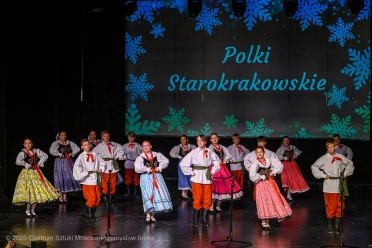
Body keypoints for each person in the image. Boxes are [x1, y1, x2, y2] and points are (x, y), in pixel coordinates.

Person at [311, 139, 354, 234]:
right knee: (330, 206)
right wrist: (323, 175)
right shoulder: (324, 158)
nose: (330, 149)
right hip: (329, 184)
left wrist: (345, 173)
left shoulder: (340, 156)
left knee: (340, 205)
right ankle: (330, 227)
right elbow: (314, 166)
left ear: (335, 147)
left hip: (339, 183)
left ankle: (337, 227)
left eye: (332, 146)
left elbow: (350, 164)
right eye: (328, 147)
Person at [248, 146, 292, 230]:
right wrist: (261, 177)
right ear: (255, 154)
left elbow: (280, 166)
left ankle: (273, 217)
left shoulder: (268, 160)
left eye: (261, 152)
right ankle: (264, 221)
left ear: (264, 152)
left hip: (270, 183)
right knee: (263, 201)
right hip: (261, 185)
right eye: (257, 152)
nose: (259, 153)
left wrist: (272, 172)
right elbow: (252, 176)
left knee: (272, 199)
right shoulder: (255, 163)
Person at [180, 135, 220, 227]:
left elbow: (217, 161)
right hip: (197, 177)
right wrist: (191, 172)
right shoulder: (193, 152)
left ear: (205, 142)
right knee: (197, 198)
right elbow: (183, 163)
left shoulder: (209, 151)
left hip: (207, 176)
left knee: (207, 198)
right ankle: (195, 220)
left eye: (201, 141)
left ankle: (204, 219)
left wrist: (213, 171)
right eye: (198, 141)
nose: (199, 142)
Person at [13, 138, 60, 217]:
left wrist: (38, 164)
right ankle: (27, 210)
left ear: (32, 144)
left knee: (36, 192)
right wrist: (26, 164)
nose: (28, 145)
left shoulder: (36, 151)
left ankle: (33, 210)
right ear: (24, 145)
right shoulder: (23, 153)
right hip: (27, 174)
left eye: (29, 143)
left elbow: (45, 156)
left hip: (36, 172)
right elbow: (18, 161)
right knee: (30, 192)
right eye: (26, 143)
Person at [134, 140, 173, 223]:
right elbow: (137, 167)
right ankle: (148, 214)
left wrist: (158, 168)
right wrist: (147, 169)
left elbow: (166, 161)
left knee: (155, 194)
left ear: (150, 146)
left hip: (156, 176)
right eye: (144, 146)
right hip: (145, 177)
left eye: (147, 145)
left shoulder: (156, 154)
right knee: (147, 195)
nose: (145, 147)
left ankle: (152, 215)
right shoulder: (140, 157)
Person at [208, 133, 243, 213]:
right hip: (214, 168)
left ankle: (218, 206)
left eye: (216, 138)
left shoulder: (222, 147)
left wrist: (225, 160)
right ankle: (211, 206)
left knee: (222, 188)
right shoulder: (210, 148)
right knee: (215, 187)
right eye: (212, 138)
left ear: (218, 138)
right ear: (210, 140)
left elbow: (228, 154)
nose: (214, 139)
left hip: (222, 168)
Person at [73, 139, 106, 222]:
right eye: (85, 145)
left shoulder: (94, 154)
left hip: (96, 179)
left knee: (97, 198)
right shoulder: (81, 156)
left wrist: (100, 169)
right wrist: (84, 173)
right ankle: (90, 215)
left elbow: (102, 163)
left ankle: (90, 213)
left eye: (88, 144)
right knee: (92, 198)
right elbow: (77, 167)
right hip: (87, 180)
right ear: (82, 147)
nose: (87, 146)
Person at [92, 130, 124, 205]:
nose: (107, 138)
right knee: (105, 182)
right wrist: (100, 160)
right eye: (105, 136)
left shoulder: (114, 144)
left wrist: (117, 156)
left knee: (113, 182)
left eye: (108, 136)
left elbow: (122, 149)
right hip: (105, 165)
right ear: (102, 137)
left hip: (112, 165)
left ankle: (111, 197)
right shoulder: (99, 146)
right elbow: (94, 154)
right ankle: (106, 197)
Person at [49, 131, 81, 203]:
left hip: (68, 161)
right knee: (60, 177)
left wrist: (72, 153)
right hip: (60, 162)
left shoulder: (69, 142)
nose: (64, 136)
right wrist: (59, 154)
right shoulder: (56, 143)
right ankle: (60, 196)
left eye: (65, 135)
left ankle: (65, 197)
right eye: (62, 135)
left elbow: (77, 148)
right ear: (59, 136)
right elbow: (51, 150)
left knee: (67, 177)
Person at [244, 136, 279, 201]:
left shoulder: (270, 153)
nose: (260, 143)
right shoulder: (252, 153)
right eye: (259, 142)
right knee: (259, 195)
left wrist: (272, 172)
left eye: (262, 142)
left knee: (270, 195)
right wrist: (253, 171)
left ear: (265, 143)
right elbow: (246, 161)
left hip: (268, 178)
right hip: (259, 177)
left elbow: (276, 163)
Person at [276, 136, 309, 201]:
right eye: (284, 140)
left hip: (292, 164)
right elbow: (277, 155)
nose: (286, 142)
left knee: (294, 177)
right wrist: (283, 157)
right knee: (287, 178)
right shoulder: (281, 148)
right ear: (282, 141)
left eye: (287, 140)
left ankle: (292, 191)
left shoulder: (292, 147)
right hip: (285, 165)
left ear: (289, 141)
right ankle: (289, 194)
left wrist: (295, 155)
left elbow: (297, 152)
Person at [169, 135, 197, 200]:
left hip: (190, 163)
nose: (183, 141)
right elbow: (171, 153)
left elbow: (195, 153)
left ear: (187, 139)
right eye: (182, 140)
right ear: (180, 140)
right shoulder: (178, 147)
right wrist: (179, 156)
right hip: (182, 164)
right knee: (183, 176)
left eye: (184, 139)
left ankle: (190, 192)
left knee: (190, 176)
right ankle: (183, 193)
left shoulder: (192, 147)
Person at [122, 131, 143, 197]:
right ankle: (129, 192)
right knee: (128, 176)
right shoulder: (125, 145)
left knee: (136, 177)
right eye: (129, 137)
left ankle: (135, 192)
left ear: (134, 138)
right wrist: (124, 157)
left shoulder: (138, 145)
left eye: (132, 137)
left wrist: (139, 159)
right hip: (128, 162)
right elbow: (121, 153)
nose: (130, 139)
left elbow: (142, 153)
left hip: (136, 161)